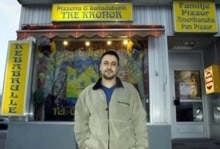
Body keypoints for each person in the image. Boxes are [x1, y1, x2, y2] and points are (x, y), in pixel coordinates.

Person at [74, 50, 149, 149]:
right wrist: (84, 146)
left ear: (117, 68)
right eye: (106, 63)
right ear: (100, 67)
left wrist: (141, 147)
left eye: (113, 64)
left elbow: (139, 122)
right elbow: (80, 124)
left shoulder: (130, 92)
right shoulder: (87, 94)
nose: (109, 67)